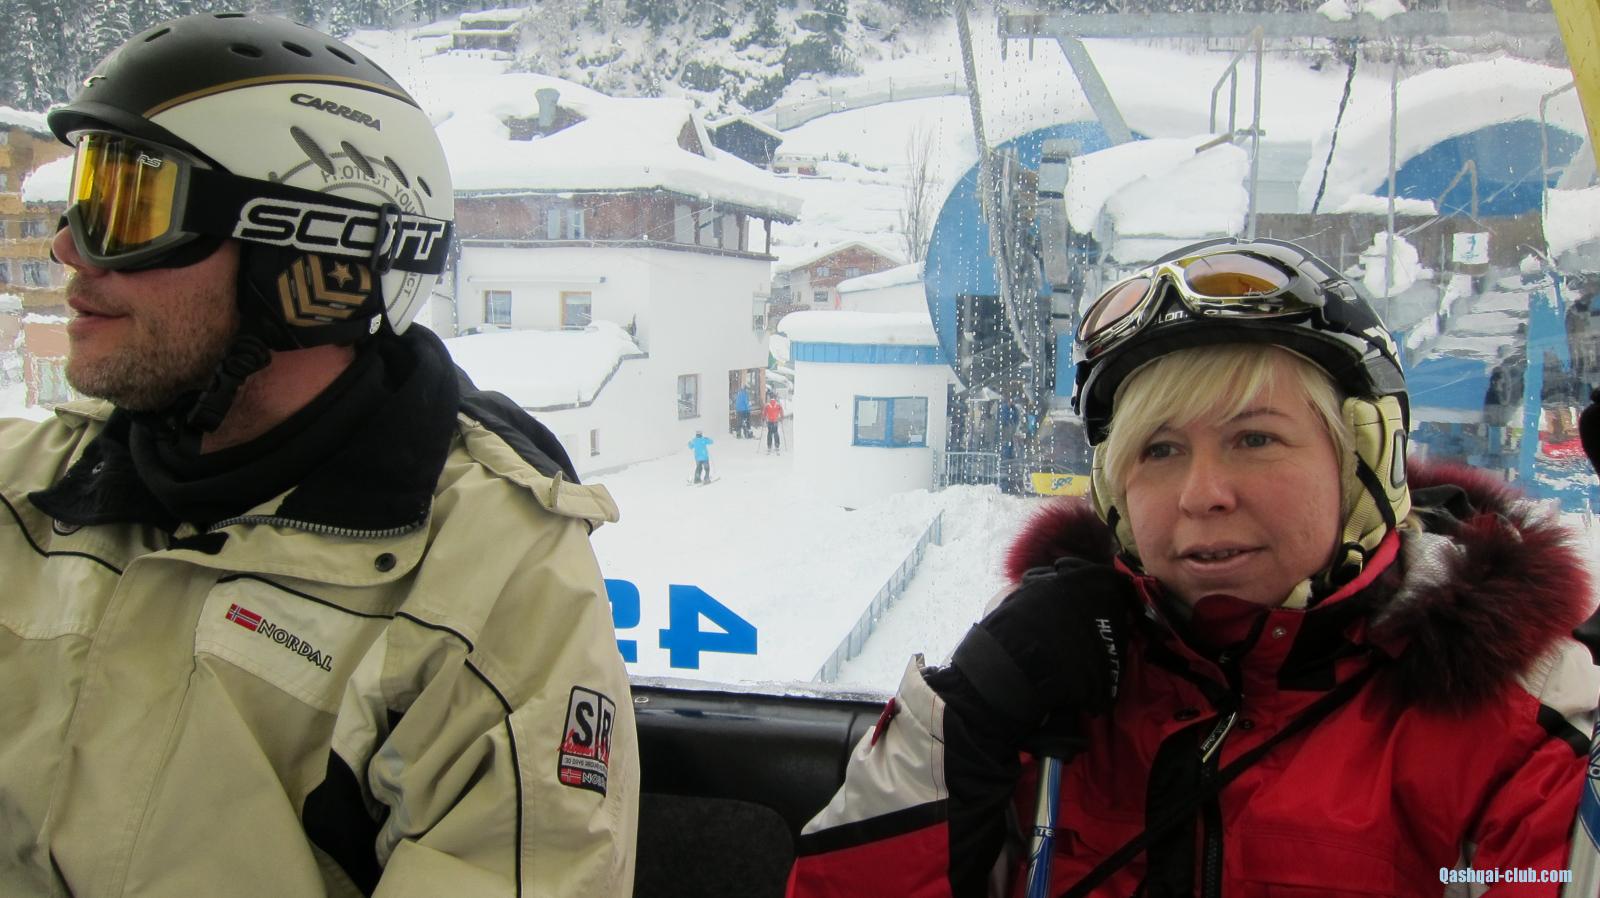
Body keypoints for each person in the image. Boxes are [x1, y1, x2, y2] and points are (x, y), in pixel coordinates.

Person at [0, 15, 637, 896]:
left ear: (304, 250)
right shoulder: (23, 490)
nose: (70, 248)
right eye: (86, 197)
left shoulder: (491, 582)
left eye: (130, 206)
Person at [788, 238, 1600, 897]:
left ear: (1362, 457)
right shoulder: (1051, 696)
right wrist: (961, 724)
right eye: (1161, 450)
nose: (1201, 494)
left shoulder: (1521, 727)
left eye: (1255, 438)